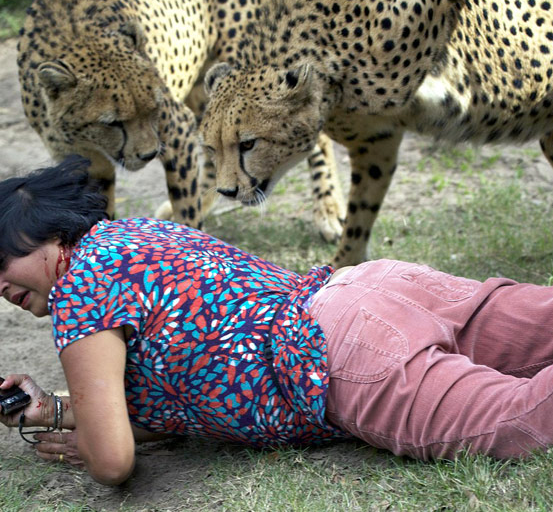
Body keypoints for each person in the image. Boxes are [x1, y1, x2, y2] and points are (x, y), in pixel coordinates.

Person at [1, 156, 553, 486]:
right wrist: (56, 411)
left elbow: (114, 462)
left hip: (339, 355)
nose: (1, 288)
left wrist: (98, 446)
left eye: (1, 263)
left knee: (524, 421)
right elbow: (186, 392)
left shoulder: (79, 286)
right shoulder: (135, 236)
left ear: (49, 238)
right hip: (366, 288)